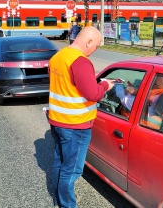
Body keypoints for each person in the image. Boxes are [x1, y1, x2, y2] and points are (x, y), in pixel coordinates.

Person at [48, 26, 114, 208]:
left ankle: (58, 199)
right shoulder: (81, 62)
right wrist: (106, 86)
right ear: (88, 41)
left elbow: (69, 86)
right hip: (75, 126)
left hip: (57, 121)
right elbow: (93, 94)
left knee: (59, 163)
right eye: (96, 46)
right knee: (72, 170)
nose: (95, 50)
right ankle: (67, 205)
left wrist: (95, 83)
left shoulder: (58, 57)